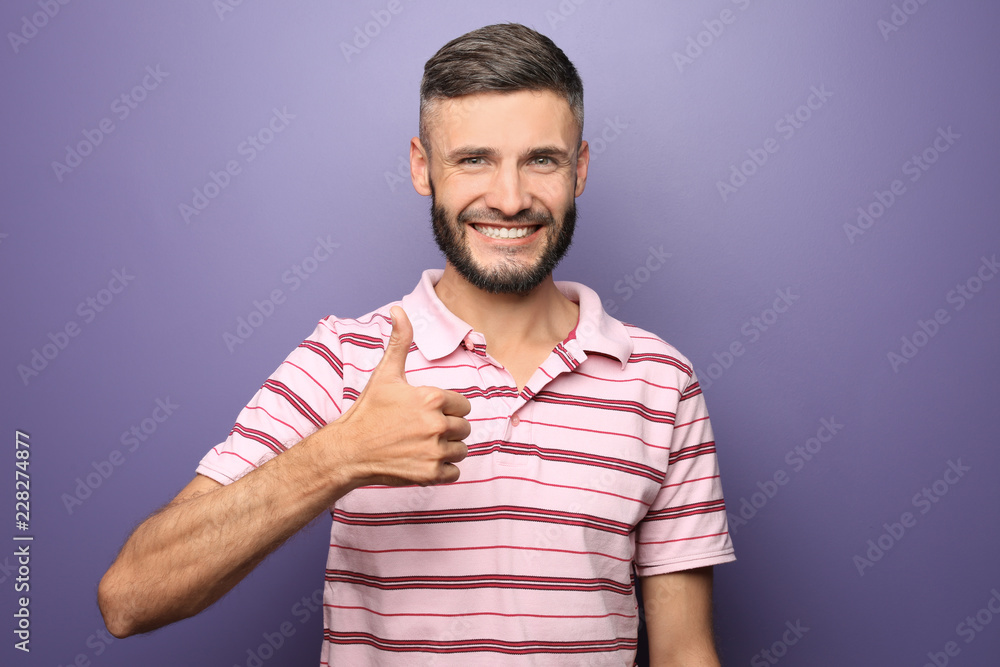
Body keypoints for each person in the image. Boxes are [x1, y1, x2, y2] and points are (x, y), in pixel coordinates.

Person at [98, 23, 735, 666]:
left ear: (581, 168)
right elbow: (130, 598)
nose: (510, 200)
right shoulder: (345, 360)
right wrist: (339, 456)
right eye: (473, 159)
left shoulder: (659, 381)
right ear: (422, 167)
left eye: (541, 159)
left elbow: (684, 651)